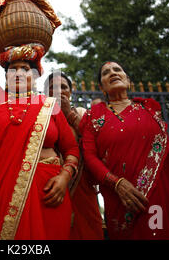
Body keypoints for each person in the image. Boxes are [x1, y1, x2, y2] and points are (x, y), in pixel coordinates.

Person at [0, 29, 80, 240]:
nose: (19, 73)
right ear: (6, 77)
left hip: (49, 192)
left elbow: (71, 149)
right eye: (13, 69)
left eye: (25, 69)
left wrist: (64, 177)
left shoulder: (50, 106)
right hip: (4, 194)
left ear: (35, 76)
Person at [78, 61, 169, 239]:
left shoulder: (149, 109)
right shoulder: (93, 115)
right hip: (120, 198)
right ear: (102, 88)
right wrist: (116, 183)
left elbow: (166, 155)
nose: (113, 73)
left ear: (128, 81)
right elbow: (89, 156)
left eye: (118, 69)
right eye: (106, 72)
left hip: (160, 191)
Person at [45, 71, 104, 240]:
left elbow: (98, 144)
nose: (58, 91)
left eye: (63, 87)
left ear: (70, 92)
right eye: (52, 88)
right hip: (50, 190)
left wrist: (69, 115)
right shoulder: (41, 118)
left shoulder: (84, 113)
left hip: (82, 190)